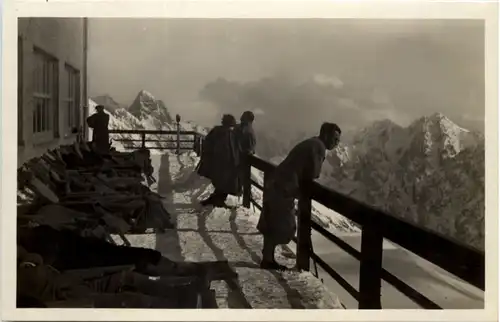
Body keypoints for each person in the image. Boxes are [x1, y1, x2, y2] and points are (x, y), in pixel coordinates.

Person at [256, 122, 341, 270]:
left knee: (273, 221)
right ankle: (268, 259)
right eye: (334, 139)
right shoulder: (318, 147)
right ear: (326, 135)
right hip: (284, 187)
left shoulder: (311, 143)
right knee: (285, 226)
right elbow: (312, 174)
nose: (336, 144)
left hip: (277, 183)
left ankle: (267, 259)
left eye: (338, 141)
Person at [196, 114, 241, 207]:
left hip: (216, 163)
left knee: (220, 183)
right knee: (225, 183)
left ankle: (216, 199)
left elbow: (207, 143)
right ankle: (218, 200)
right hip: (225, 165)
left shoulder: (216, 131)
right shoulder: (229, 134)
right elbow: (232, 150)